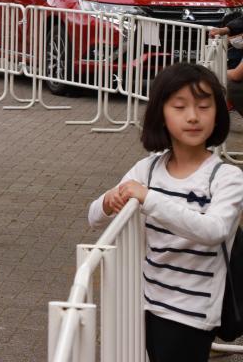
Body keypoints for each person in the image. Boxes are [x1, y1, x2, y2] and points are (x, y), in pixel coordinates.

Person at [88, 64, 243, 362]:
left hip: (193, 313)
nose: (193, 116)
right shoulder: (147, 169)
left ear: (218, 113)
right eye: (180, 106)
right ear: (162, 113)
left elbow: (214, 231)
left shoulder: (226, 177)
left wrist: (148, 199)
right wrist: (110, 200)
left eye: (203, 106)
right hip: (146, 305)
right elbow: (94, 217)